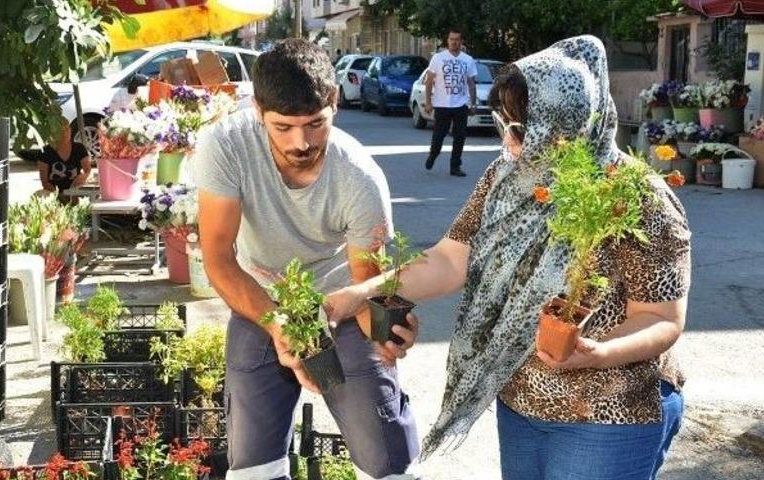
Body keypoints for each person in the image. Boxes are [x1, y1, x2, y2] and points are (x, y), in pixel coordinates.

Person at [326, 35, 690, 480]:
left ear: (564, 125)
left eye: (517, 128)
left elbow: (660, 317)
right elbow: (449, 260)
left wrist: (598, 353)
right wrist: (363, 292)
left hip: (610, 413)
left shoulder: (636, 196)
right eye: (503, 123)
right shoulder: (506, 177)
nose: (508, 141)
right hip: (521, 402)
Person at [192, 38, 421, 480]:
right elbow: (219, 259)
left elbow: (365, 280)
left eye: (316, 123)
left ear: (334, 101)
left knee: (386, 457)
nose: (301, 142)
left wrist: (387, 334)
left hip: (341, 304)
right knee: (252, 464)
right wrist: (278, 325)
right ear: (258, 110)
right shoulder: (225, 146)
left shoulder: (360, 178)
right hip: (261, 297)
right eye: (283, 127)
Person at [423, 28, 477, 177]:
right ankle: (433, 154)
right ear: (448, 41)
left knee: (460, 136)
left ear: (461, 41)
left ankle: (455, 166)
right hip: (442, 104)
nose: (454, 42)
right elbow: (429, 81)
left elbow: (471, 83)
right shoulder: (438, 58)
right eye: (451, 39)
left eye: (457, 39)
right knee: (439, 135)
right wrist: (428, 102)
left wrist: (473, 104)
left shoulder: (468, 60)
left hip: (461, 104)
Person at [38, 118, 91, 196]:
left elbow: (87, 170)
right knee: (39, 195)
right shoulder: (45, 152)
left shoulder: (79, 148)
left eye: (67, 129)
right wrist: (59, 195)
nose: (65, 133)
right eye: (61, 131)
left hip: (75, 190)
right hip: (53, 192)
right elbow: (45, 182)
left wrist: (84, 176)